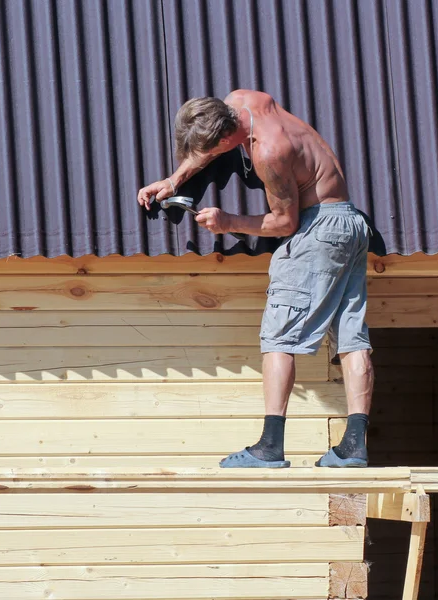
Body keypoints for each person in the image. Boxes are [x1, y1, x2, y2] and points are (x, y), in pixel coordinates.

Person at [137, 90, 374, 468]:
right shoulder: (243, 100)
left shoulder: (269, 152)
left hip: (319, 230)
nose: (211, 155)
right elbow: (209, 143)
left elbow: (285, 222)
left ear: (228, 139)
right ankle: (354, 448)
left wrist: (227, 222)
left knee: (278, 336)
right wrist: (174, 179)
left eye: (215, 149)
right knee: (351, 336)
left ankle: (270, 448)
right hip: (351, 223)